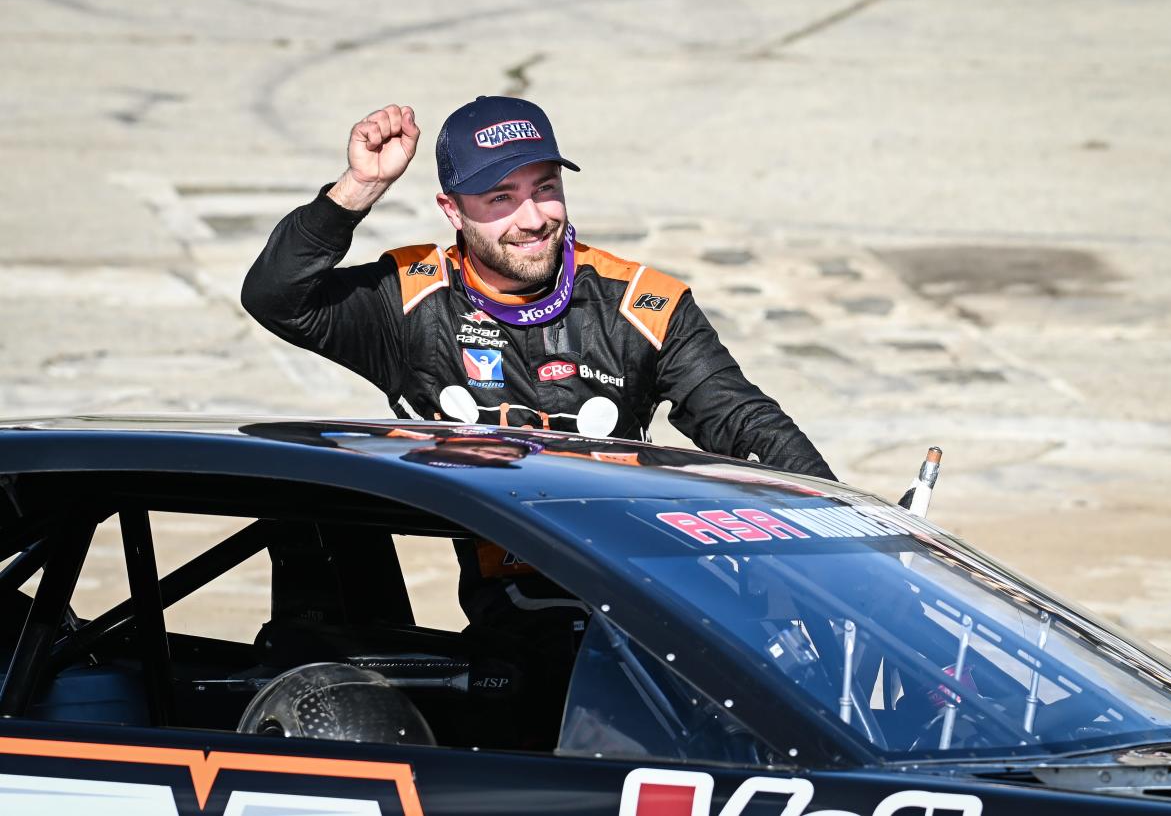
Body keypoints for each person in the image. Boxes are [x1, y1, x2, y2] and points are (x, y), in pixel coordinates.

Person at [241, 96, 836, 747]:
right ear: (452, 210)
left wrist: (845, 537)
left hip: (645, 611)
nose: (532, 219)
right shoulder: (411, 300)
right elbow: (275, 296)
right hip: (518, 630)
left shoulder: (641, 303)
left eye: (544, 190)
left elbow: (748, 425)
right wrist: (358, 188)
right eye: (500, 198)